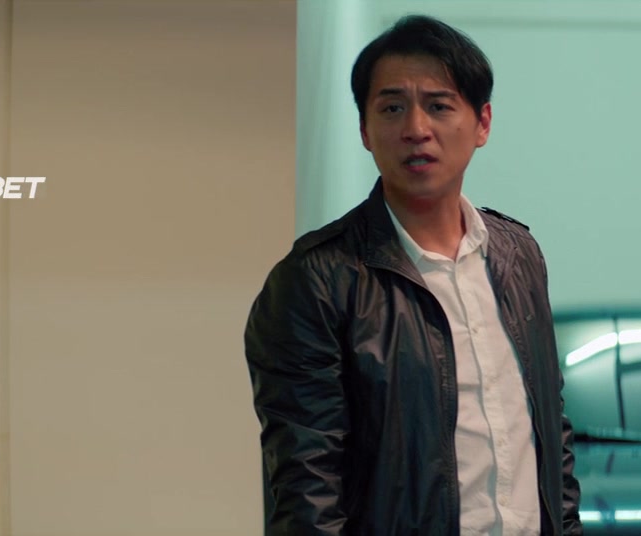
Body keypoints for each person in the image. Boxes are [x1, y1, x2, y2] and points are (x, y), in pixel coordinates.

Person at [243, 14, 583, 536]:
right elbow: (307, 488)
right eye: (392, 107)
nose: (416, 129)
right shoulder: (317, 280)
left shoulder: (519, 256)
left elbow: (550, 434)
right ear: (365, 130)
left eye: (439, 106)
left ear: (483, 123)